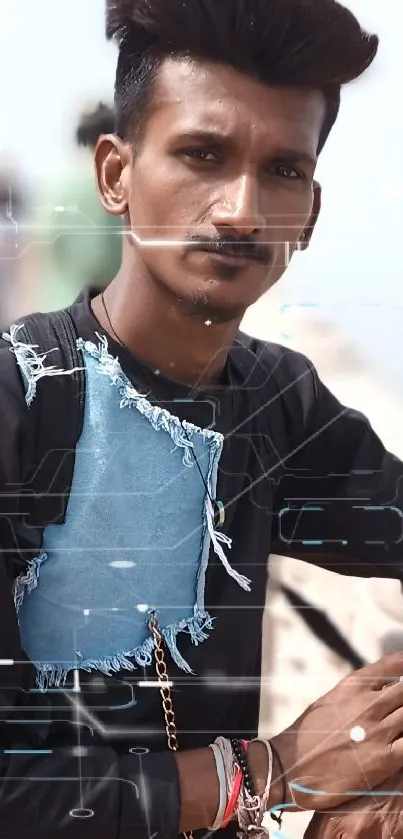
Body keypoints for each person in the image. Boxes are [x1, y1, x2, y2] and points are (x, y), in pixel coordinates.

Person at [1, 1, 403, 837]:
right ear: (115, 173)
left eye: (283, 170)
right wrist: (277, 767)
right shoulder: (18, 400)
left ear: (311, 214)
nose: (239, 211)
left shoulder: (273, 402)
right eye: (201, 155)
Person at [31, 102, 122, 312]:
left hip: (57, 305)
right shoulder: (113, 181)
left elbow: (42, 247)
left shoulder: (58, 182)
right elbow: (106, 256)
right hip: (101, 312)